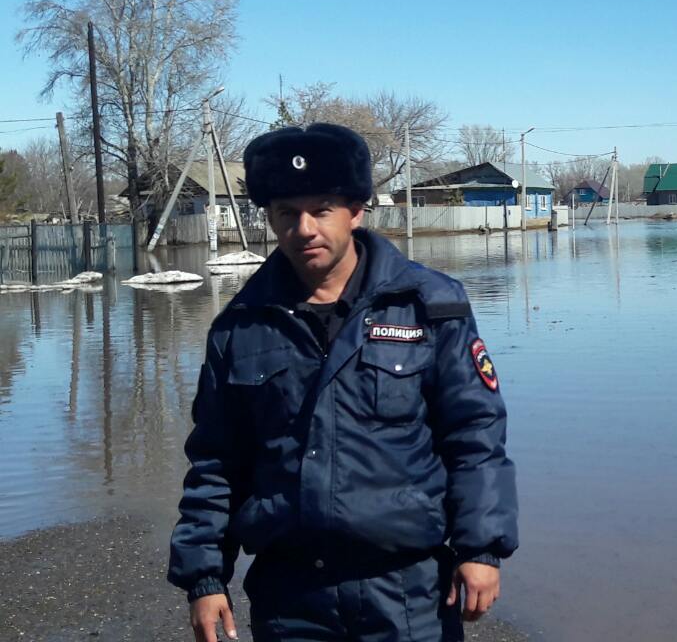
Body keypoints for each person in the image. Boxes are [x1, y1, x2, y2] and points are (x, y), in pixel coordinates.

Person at [168, 123, 518, 642]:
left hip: (407, 593)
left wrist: (481, 548)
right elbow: (217, 462)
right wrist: (204, 578)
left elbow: (474, 434)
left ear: (356, 210)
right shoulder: (240, 327)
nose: (305, 228)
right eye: (287, 212)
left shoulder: (430, 306)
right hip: (290, 599)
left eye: (322, 209)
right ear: (269, 217)